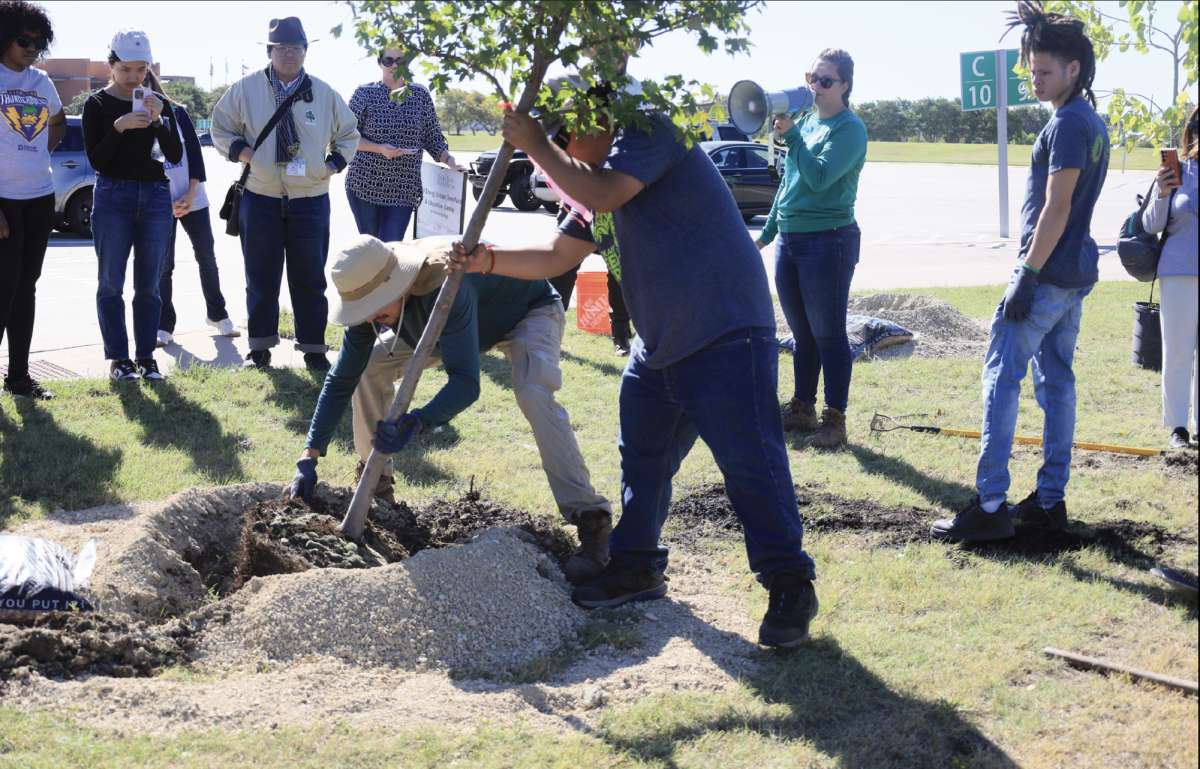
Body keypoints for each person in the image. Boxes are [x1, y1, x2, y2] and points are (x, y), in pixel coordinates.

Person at [449, 71, 819, 649]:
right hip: (661, 343)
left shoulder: (649, 132)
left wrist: (534, 143)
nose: (561, 154)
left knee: (751, 463)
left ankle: (789, 582)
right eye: (557, 143)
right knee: (642, 459)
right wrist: (485, 260)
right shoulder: (590, 180)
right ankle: (637, 562)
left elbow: (602, 193)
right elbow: (555, 254)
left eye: (566, 138)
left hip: (724, 331)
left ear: (597, 120)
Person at [288, 234, 614, 585]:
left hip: (525, 311)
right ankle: (376, 483)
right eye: (364, 312)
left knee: (534, 392)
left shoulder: (445, 285)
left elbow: (465, 383)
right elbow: (341, 380)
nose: (373, 320)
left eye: (377, 310)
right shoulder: (374, 304)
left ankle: (591, 520)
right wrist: (309, 455)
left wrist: (418, 422)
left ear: (396, 286)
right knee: (369, 367)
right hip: (443, 329)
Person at [931, 1, 1109, 541]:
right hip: (1074, 275)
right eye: (1031, 71)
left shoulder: (1071, 123)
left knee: (1000, 380)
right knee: (1057, 387)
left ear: (1074, 68)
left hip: (1048, 274)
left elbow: (1057, 207)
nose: (1035, 80)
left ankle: (989, 507)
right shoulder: (1088, 120)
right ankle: (1050, 503)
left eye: (1045, 72)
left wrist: (1026, 273)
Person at [210, 17, 359, 371]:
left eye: (296, 48)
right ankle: (259, 349)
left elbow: (349, 134)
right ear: (270, 51)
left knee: (309, 277)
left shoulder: (323, 92)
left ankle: (314, 349)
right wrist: (247, 155)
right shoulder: (245, 88)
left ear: (306, 51)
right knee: (260, 278)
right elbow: (220, 128)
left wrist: (331, 165)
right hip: (260, 196)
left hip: (310, 198)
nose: (289, 54)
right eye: (282, 48)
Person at [755, 48, 867, 449]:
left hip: (829, 239)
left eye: (825, 80)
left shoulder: (849, 129)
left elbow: (819, 178)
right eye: (811, 77)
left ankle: (834, 422)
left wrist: (795, 136)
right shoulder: (805, 122)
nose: (814, 86)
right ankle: (801, 409)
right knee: (802, 335)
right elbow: (788, 185)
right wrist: (767, 235)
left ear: (845, 86)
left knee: (829, 335)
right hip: (791, 239)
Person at [82, 29, 181, 382]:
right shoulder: (96, 104)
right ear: (111, 65)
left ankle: (146, 357)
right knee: (110, 282)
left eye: (141, 70)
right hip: (113, 194)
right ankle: (119, 359)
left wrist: (157, 120)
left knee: (149, 285)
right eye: (125, 69)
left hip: (155, 195)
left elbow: (174, 154)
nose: (134, 78)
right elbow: (97, 159)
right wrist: (119, 126)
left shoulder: (157, 102)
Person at [144, 69, 238, 348]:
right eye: (137, 83)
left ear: (154, 83)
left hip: (192, 197)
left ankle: (218, 315)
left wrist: (191, 192)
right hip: (159, 201)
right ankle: (164, 325)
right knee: (164, 267)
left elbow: (194, 154)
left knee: (206, 257)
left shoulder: (177, 111)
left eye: (146, 80)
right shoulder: (134, 116)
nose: (142, 87)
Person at [0, 0, 64, 399]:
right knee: (3, 287)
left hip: (40, 196)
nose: (31, 48)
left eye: (39, 43)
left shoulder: (42, 82)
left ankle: (19, 378)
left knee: (27, 287)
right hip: (2, 199)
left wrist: (40, 154)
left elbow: (56, 123)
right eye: (24, 39)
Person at [344, 47, 464, 242]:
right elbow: (346, 135)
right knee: (371, 249)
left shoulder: (420, 95)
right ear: (380, 62)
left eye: (400, 61)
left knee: (391, 247)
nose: (394, 65)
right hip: (364, 186)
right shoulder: (364, 94)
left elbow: (432, 138)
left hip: (403, 188)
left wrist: (450, 161)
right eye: (388, 60)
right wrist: (379, 148)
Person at [1143, 106, 1197, 450]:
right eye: (1195, 123)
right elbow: (1150, 224)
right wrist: (1162, 194)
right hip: (1179, 272)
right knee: (1178, 351)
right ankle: (1178, 427)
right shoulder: (1177, 170)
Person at [550, 204, 634, 356]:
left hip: (617, 206)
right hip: (579, 204)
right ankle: (549, 332)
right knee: (562, 267)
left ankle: (621, 336)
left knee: (620, 270)